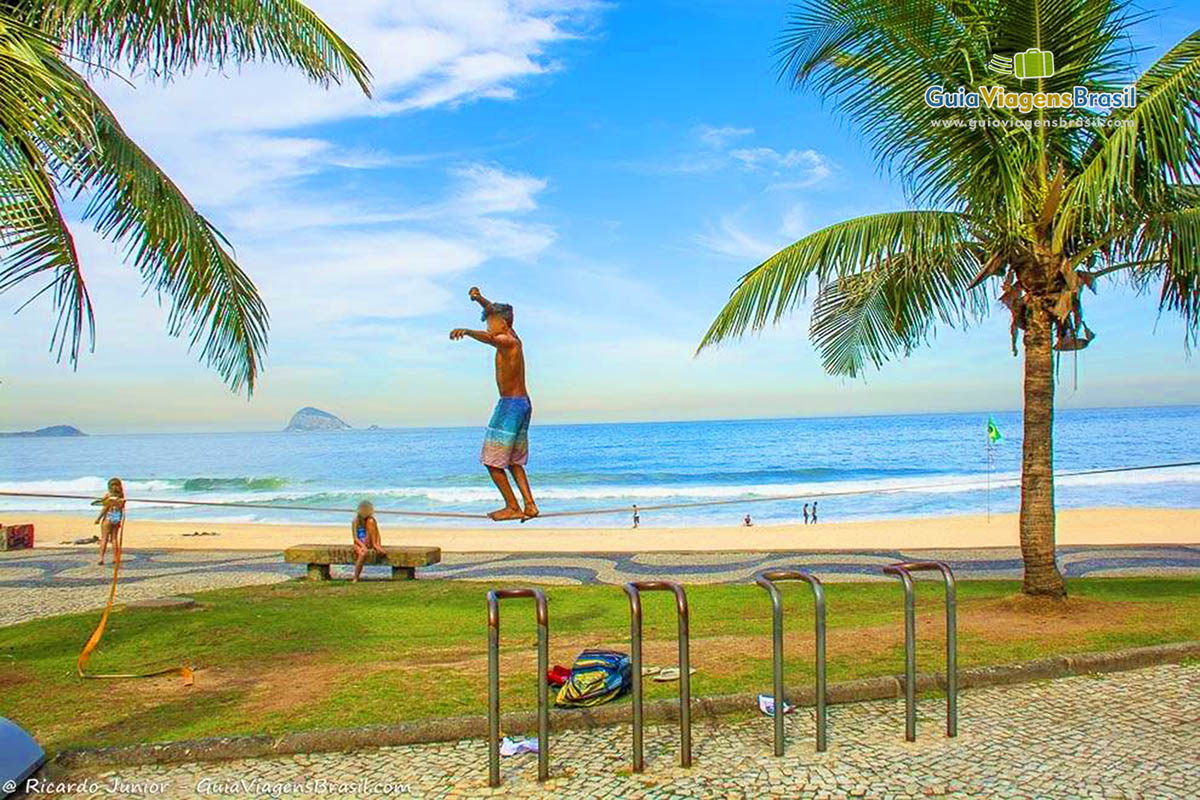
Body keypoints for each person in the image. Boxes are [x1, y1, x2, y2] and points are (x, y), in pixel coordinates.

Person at [451, 286, 539, 522]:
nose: (488, 325)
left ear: (503, 323)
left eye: (491, 322)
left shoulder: (507, 341)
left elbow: (490, 337)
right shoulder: (514, 336)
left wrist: (468, 331)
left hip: (510, 406)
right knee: (512, 461)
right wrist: (480, 299)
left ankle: (512, 506)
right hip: (522, 404)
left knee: (492, 461)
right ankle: (529, 505)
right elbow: (492, 313)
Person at [93, 477, 125, 565]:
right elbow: (122, 510)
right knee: (114, 539)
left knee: (104, 538)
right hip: (116, 518)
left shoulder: (108, 495)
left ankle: (101, 558)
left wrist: (98, 519)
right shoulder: (121, 496)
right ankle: (115, 558)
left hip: (108, 517)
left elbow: (105, 508)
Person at [351, 500, 386, 582]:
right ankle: (356, 577)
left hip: (368, 542)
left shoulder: (370, 520)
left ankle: (374, 545)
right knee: (362, 553)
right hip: (359, 543)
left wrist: (377, 544)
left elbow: (376, 533)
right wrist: (362, 546)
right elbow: (355, 538)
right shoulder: (355, 521)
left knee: (371, 522)